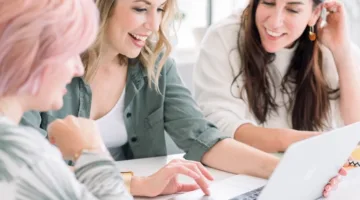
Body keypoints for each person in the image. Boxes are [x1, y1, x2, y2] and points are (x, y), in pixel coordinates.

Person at [20, 0, 341, 198]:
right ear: (103, 4)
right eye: (140, 8)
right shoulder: (50, 66)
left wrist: (287, 171)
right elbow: (25, 164)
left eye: (160, 9)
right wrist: (138, 184)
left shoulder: (154, 64)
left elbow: (203, 137)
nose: (154, 24)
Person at [193, 0, 359, 197]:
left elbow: (354, 126)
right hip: (236, 175)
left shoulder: (329, 45)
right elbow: (217, 127)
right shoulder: (223, 36)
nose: (275, 22)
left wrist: (342, 51)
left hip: (308, 180)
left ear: (314, 15)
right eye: (268, 3)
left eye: (292, 9)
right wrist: (297, 141)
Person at [0, 0, 133, 199]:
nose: (78, 68)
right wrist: (92, 152)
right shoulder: (24, 156)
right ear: (35, 54)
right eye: (72, 53)